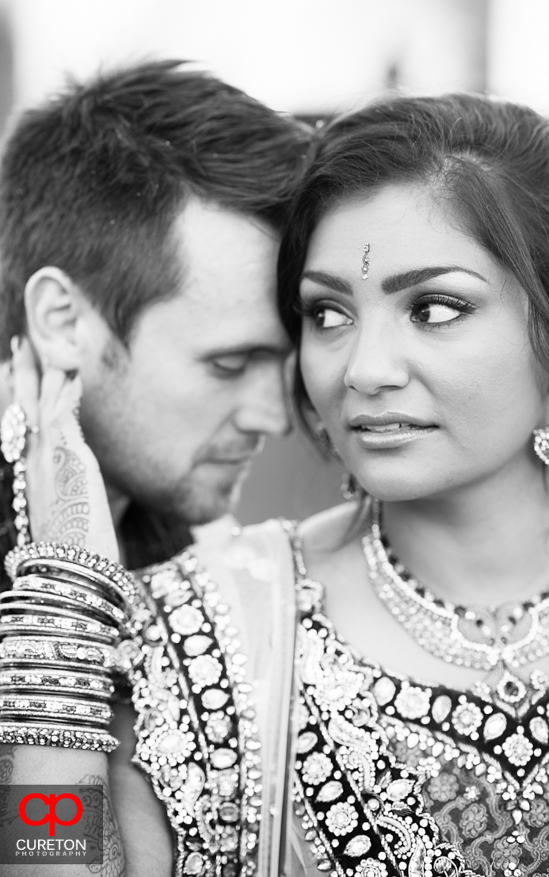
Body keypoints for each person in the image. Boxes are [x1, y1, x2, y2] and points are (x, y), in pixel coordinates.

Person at [4, 90, 549, 877]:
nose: (363, 371)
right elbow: (45, 861)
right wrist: (64, 613)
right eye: (328, 314)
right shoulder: (197, 631)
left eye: (435, 307)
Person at [0, 59, 311, 877]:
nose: (272, 417)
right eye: (229, 362)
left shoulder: (190, 544)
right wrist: (65, 607)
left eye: (282, 366)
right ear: (63, 320)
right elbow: (49, 858)